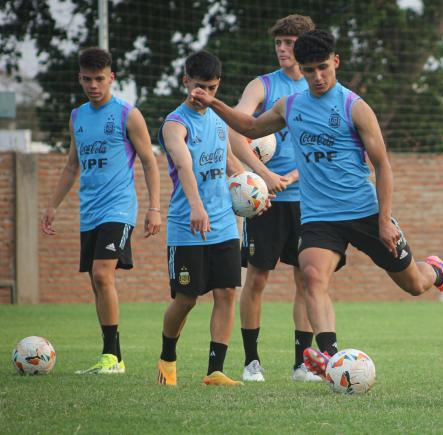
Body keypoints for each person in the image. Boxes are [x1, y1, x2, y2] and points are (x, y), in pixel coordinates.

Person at [190, 29, 443, 379]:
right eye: (309, 70)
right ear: (301, 70)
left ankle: (437, 271)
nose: (317, 77)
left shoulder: (355, 107)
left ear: (336, 62)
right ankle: (335, 359)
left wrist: (384, 221)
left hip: (365, 212)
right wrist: (213, 103)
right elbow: (251, 126)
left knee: (413, 284)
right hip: (320, 217)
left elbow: (383, 166)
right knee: (312, 276)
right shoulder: (290, 106)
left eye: (323, 67)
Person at [41, 47, 161, 375]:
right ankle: (114, 358)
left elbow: (150, 162)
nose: (93, 85)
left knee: (102, 273)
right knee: (97, 284)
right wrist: (52, 205)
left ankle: (110, 356)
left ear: (112, 78)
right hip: (89, 213)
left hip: (119, 209)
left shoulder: (127, 114)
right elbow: (70, 165)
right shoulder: (77, 116)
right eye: (87, 79)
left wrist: (154, 208)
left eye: (99, 79)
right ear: (79, 79)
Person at [227, 15, 321, 382]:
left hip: (309, 202)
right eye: (278, 43)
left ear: (305, 44)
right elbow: (236, 131)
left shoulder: (319, 88)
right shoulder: (262, 86)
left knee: (307, 279)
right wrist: (264, 176)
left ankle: (302, 365)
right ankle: (252, 362)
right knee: (258, 278)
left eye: (289, 42)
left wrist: (298, 174)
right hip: (264, 203)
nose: (283, 49)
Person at [156, 51, 246, 386]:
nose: (203, 94)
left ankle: (215, 371)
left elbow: (231, 165)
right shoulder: (174, 124)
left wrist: (255, 192)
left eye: (209, 88)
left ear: (217, 85)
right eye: (197, 87)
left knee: (226, 293)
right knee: (186, 299)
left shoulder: (220, 120)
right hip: (187, 227)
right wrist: (196, 206)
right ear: (185, 82)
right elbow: (184, 165)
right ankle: (167, 357)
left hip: (223, 225)